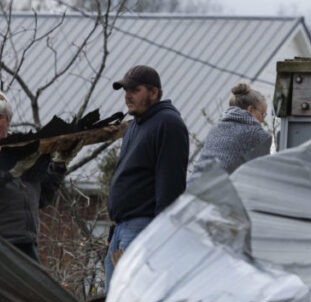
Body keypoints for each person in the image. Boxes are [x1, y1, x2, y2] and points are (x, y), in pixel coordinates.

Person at [0, 90, 77, 262]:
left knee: (32, 289)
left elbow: (41, 198)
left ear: (8, 120)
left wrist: (58, 165)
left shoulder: (22, 148)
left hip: (25, 243)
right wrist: (6, 171)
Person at [105, 65, 189, 288]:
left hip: (143, 228)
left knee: (131, 300)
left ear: (153, 92)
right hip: (122, 229)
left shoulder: (168, 124)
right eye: (125, 91)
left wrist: (161, 237)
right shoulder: (135, 125)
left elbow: (171, 186)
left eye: (134, 90)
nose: (127, 96)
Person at [190, 82, 272, 176]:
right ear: (251, 110)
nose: (263, 120)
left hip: (194, 185)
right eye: (262, 114)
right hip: (219, 187)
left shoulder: (215, 128)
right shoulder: (257, 134)